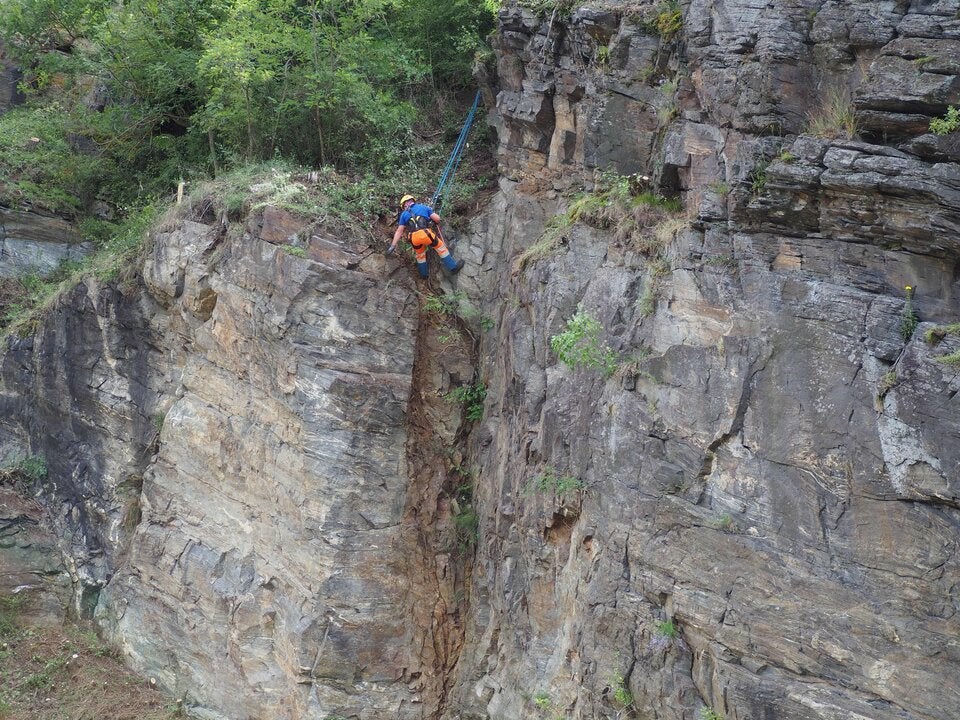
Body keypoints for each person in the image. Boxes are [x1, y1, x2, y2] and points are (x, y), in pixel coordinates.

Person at [386, 194, 464, 278]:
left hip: (413, 238)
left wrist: (392, 246)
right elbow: (437, 219)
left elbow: (399, 231)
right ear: (413, 201)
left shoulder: (403, 214)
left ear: (404, 205)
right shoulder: (423, 207)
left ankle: (424, 275)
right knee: (441, 248)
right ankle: (453, 268)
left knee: (420, 255)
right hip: (425, 234)